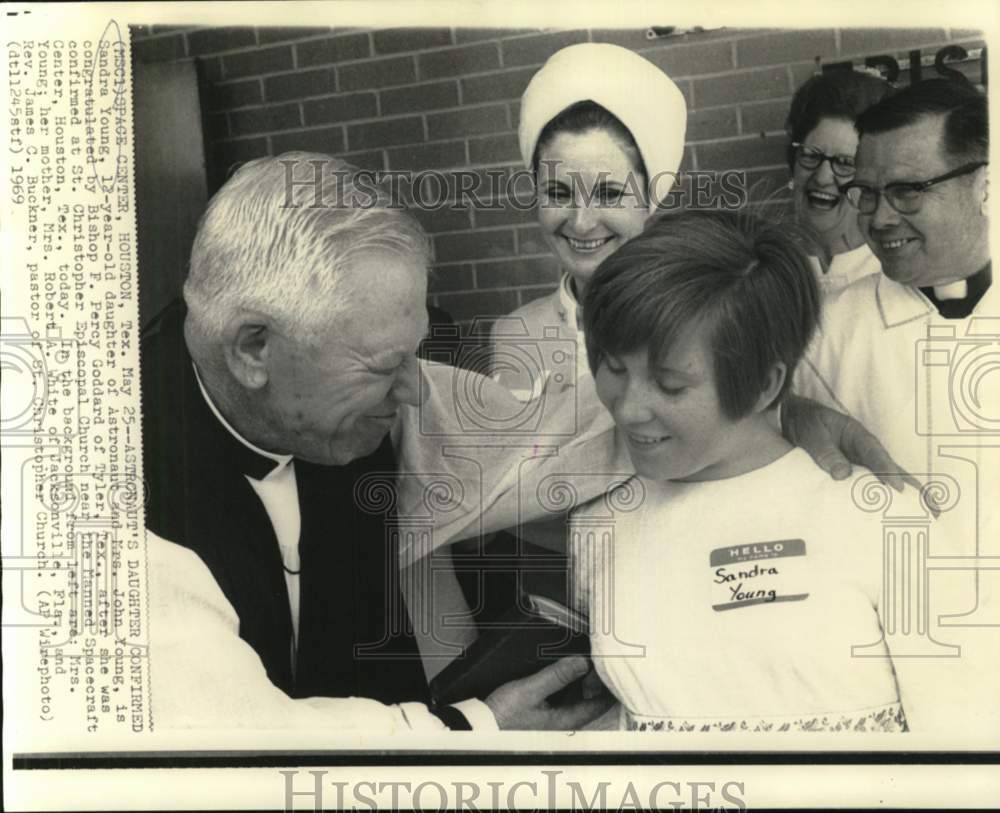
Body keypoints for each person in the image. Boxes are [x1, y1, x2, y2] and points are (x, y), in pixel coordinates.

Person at [142, 151, 616, 733]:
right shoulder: (106, 490)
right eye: (382, 367)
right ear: (253, 349)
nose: (417, 392)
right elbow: (246, 742)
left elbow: (567, 437)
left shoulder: (369, 388)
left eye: (415, 351)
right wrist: (481, 728)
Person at [571, 208, 936, 732]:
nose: (628, 408)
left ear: (765, 385)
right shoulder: (595, 522)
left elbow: (959, 740)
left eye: (670, 385)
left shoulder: (875, 516)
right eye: (612, 367)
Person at [794, 78, 998, 734]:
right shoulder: (826, 338)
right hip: (918, 694)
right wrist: (786, 413)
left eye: (908, 190)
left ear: (985, 182)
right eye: (868, 193)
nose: (879, 218)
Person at [490, 42, 686, 397]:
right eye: (559, 193)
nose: (581, 223)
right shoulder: (516, 333)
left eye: (609, 193)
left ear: (650, 198)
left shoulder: (700, 323)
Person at [784, 70, 894, 293]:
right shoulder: (774, 273)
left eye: (845, 162)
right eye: (811, 155)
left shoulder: (896, 275)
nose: (823, 178)